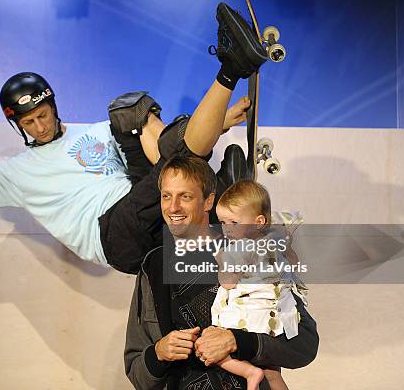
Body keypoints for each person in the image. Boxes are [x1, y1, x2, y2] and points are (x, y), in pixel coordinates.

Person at [0, 2, 267, 274]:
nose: (40, 127)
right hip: (114, 236)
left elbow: (163, 147)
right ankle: (231, 69)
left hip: (147, 212)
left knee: (131, 115)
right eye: (29, 123)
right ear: (18, 126)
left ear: (54, 105)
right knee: (149, 145)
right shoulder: (15, 173)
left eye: (43, 115)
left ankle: (220, 204)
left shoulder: (94, 133)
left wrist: (224, 120)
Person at [124, 156, 318, 389]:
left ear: (208, 201)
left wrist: (238, 341)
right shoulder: (153, 267)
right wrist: (158, 353)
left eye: (185, 196)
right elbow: (136, 371)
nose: (173, 207)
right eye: (167, 196)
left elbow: (305, 344)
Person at [211, 180, 309, 389]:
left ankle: (249, 372)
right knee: (273, 374)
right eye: (223, 222)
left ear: (258, 221)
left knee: (213, 351)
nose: (227, 229)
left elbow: (227, 284)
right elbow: (293, 265)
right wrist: (289, 249)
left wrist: (221, 264)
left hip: (247, 318)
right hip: (273, 318)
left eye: (233, 223)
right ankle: (260, 373)